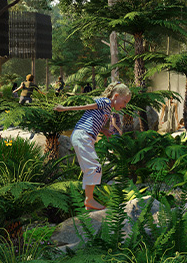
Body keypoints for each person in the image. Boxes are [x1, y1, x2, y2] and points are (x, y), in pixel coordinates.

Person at [55, 82, 131, 211]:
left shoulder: (107, 108)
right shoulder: (106, 102)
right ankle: (89, 200)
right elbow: (87, 107)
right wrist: (65, 109)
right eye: (124, 102)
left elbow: (92, 119)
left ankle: (88, 201)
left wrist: (104, 131)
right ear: (116, 96)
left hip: (84, 137)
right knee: (94, 167)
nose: (124, 106)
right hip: (83, 136)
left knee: (90, 168)